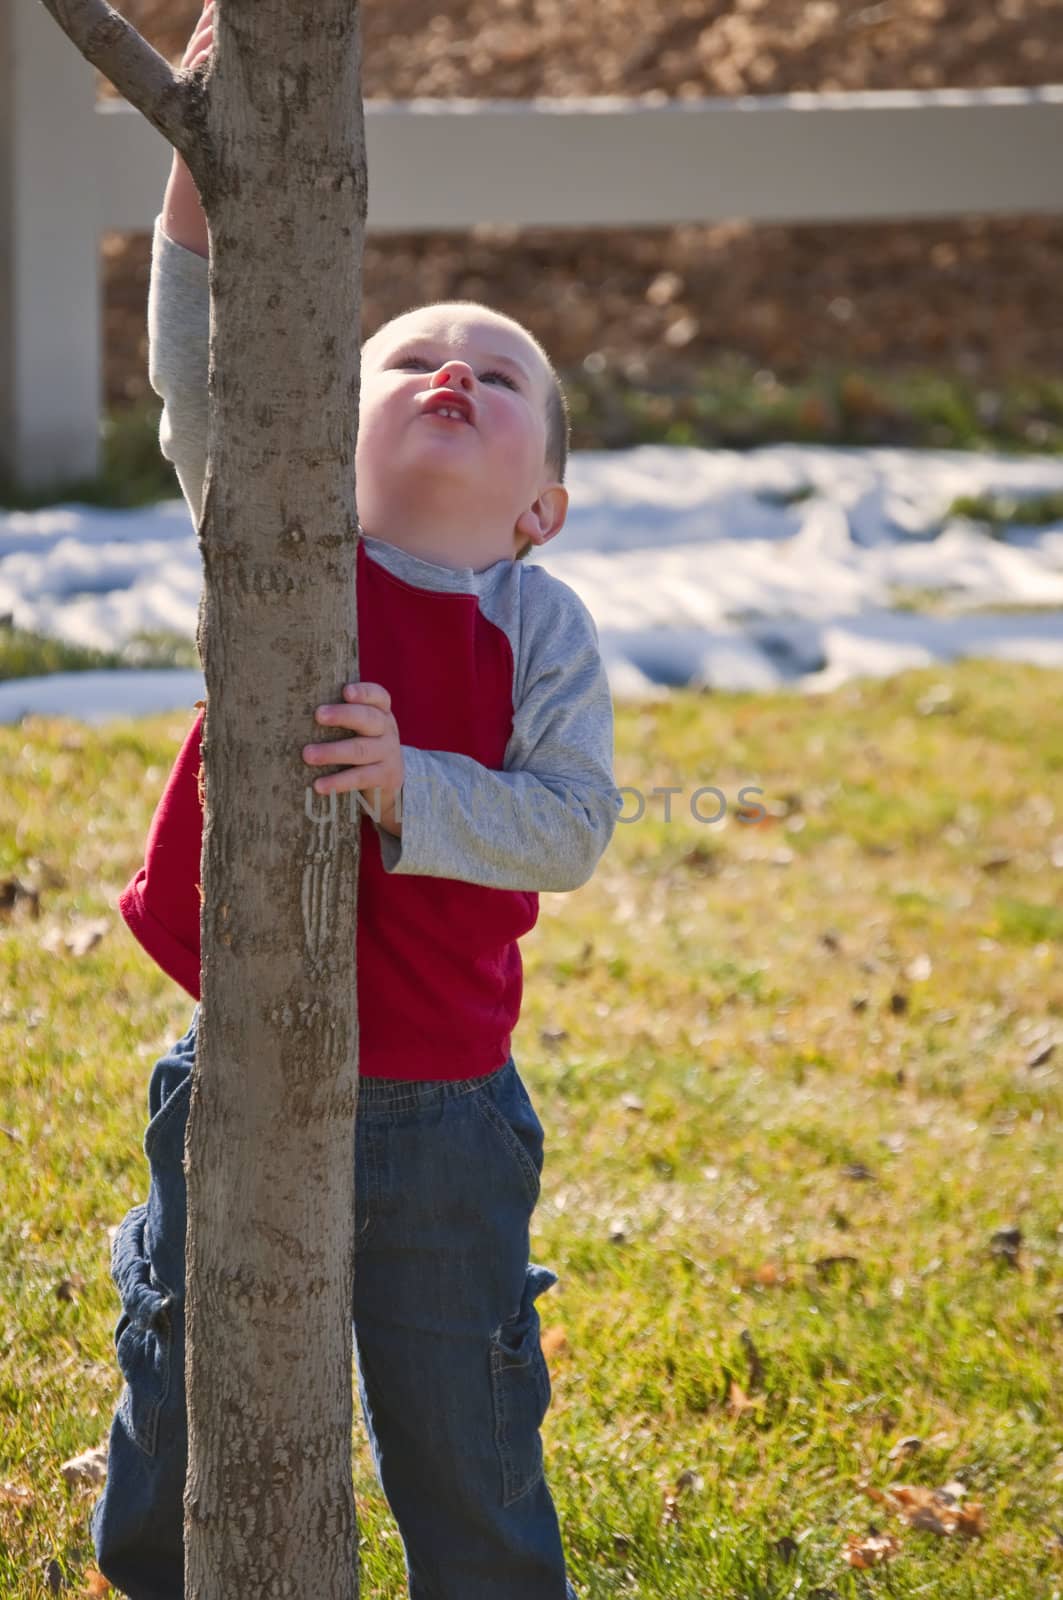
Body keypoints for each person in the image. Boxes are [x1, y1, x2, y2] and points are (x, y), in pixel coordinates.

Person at [90, 7, 621, 1598]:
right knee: (189, 1382)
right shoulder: (276, 523)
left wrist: (415, 789)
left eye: (503, 370)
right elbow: (199, 356)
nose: (455, 364)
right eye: (411, 354)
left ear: (542, 507)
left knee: (463, 1419)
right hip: (240, 1056)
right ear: (331, 414)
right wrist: (199, 182)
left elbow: (574, 823)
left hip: (445, 1110)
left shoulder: (541, 626)